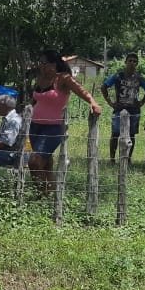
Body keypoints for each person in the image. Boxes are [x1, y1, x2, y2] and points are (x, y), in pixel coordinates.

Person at [27, 51, 102, 194]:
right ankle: (49, 193)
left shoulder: (63, 79)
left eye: (44, 63)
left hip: (52, 128)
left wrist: (93, 103)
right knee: (46, 164)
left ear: (54, 64)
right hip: (35, 126)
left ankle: (42, 195)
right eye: (40, 63)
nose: (41, 66)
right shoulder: (41, 79)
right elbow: (36, 99)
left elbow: (82, 91)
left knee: (35, 162)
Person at [101, 53, 145, 162]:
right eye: (130, 61)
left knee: (132, 135)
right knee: (115, 134)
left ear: (137, 64)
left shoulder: (139, 78)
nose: (132, 63)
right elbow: (104, 87)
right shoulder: (118, 76)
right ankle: (112, 158)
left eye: (134, 61)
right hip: (119, 109)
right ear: (126, 62)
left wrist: (142, 102)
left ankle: (128, 158)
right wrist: (110, 102)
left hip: (134, 110)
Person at [0, 95, 24, 167]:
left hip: (13, 155)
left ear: (5, 106)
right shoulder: (7, 119)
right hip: (6, 151)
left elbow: (4, 144)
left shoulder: (14, 121)